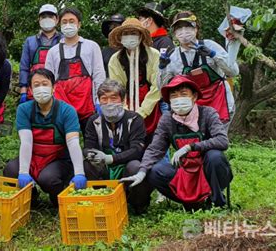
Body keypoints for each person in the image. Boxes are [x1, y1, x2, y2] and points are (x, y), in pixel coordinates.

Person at [121, 75, 233, 209]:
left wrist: (190, 147)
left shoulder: (208, 113)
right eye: (174, 96)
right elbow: (155, 148)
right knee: (156, 171)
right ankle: (192, 204)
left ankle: (216, 200)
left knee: (215, 157)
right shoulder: (167, 119)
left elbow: (222, 140)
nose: (179, 99)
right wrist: (142, 171)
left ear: (194, 96)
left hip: (207, 168)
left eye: (183, 94)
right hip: (184, 170)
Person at [3, 68, 87, 206]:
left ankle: (59, 196)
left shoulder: (67, 111)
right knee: (11, 170)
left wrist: (80, 173)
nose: (41, 88)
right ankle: (31, 197)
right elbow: (26, 142)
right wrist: (23, 171)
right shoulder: (24, 109)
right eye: (36, 85)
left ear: (53, 87)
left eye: (45, 84)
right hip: (33, 156)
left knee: (48, 179)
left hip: (57, 159)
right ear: (30, 90)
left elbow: (73, 142)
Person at [158, 11, 239, 128]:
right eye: (179, 29)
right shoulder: (173, 57)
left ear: (196, 29)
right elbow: (162, 88)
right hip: (191, 107)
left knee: (216, 142)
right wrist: (162, 68)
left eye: (187, 27)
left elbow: (233, 71)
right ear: (174, 33)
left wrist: (213, 55)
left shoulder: (211, 46)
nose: (183, 32)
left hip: (219, 102)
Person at [83, 79, 152, 214]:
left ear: (123, 99)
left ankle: (137, 204)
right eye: (104, 99)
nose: (109, 103)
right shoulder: (94, 121)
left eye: (113, 98)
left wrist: (111, 158)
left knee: (136, 167)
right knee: (88, 164)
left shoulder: (135, 119)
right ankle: (102, 200)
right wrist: (91, 154)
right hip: (105, 166)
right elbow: (87, 145)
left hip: (126, 164)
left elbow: (137, 150)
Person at [45, 7, 106, 133]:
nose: (68, 25)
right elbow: (48, 80)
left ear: (79, 24)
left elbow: (99, 75)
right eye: (64, 22)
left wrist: (99, 100)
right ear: (59, 25)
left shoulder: (91, 46)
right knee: (63, 145)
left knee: (92, 141)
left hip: (88, 105)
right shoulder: (53, 52)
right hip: (62, 106)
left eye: (72, 21)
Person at [108, 18, 161, 143]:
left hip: (151, 102)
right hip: (126, 102)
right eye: (126, 34)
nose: (129, 37)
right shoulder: (116, 59)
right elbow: (117, 88)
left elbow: (157, 85)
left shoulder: (153, 55)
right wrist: (127, 113)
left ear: (141, 36)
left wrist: (142, 112)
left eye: (133, 33)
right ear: (121, 37)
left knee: (156, 142)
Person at [19, 4, 63, 103]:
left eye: (50, 16)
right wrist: (23, 91)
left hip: (59, 88)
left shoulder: (64, 40)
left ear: (57, 20)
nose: (47, 19)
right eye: (43, 17)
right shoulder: (30, 41)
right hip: (36, 88)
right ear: (39, 20)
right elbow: (24, 67)